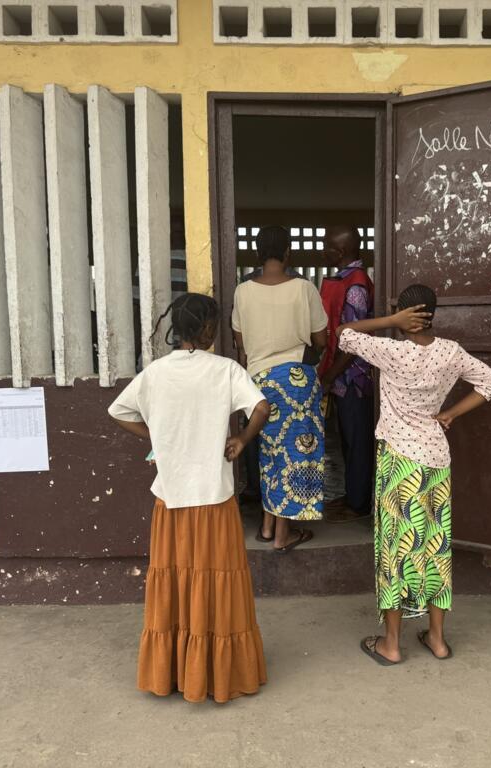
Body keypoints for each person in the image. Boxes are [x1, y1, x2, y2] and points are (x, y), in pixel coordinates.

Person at [108, 293, 270, 703]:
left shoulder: (156, 374)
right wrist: (241, 440)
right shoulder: (226, 370)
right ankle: (217, 674)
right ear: (207, 330)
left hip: (172, 498)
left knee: (176, 582)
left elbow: (119, 412)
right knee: (217, 584)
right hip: (213, 499)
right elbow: (262, 408)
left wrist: (158, 441)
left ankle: (176, 674)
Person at [336, 284, 491, 665]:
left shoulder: (391, 351)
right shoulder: (451, 352)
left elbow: (344, 334)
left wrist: (389, 321)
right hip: (436, 458)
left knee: (396, 548)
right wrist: (451, 414)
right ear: (433, 313)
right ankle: (438, 640)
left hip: (399, 461)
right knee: (434, 546)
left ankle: (392, 645)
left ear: (405, 313)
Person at [232, 225, 329, 552]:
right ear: (288, 253)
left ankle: (267, 524)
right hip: (297, 381)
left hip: (259, 382)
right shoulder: (304, 288)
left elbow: (240, 344)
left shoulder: (242, 291)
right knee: (296, 455)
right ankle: (283, 536)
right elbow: (321, 340)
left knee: (270, 453)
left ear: (258, 254)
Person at [318, 225, 376, 523]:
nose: (323, 250)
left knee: (357, 439)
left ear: (339, 252)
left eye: (327, 246)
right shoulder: (342, 280)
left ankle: (359, 503)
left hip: (353, 378)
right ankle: (354, 495)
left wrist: (329, 376)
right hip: (341, 375)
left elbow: (355, 343)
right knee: (347, 439)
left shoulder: (355, 285)